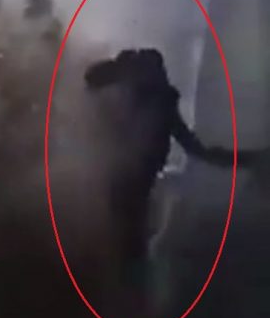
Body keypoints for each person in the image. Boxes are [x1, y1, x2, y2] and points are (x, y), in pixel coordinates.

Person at [84, 48, 262, 265]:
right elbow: (193, 147)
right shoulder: (143, 98)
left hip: (134, 174)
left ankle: (129, 266)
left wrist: (243, 160)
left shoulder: (153, 100)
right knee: (127, 229)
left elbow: (192, 146)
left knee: (127, 230)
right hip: (131, 173)